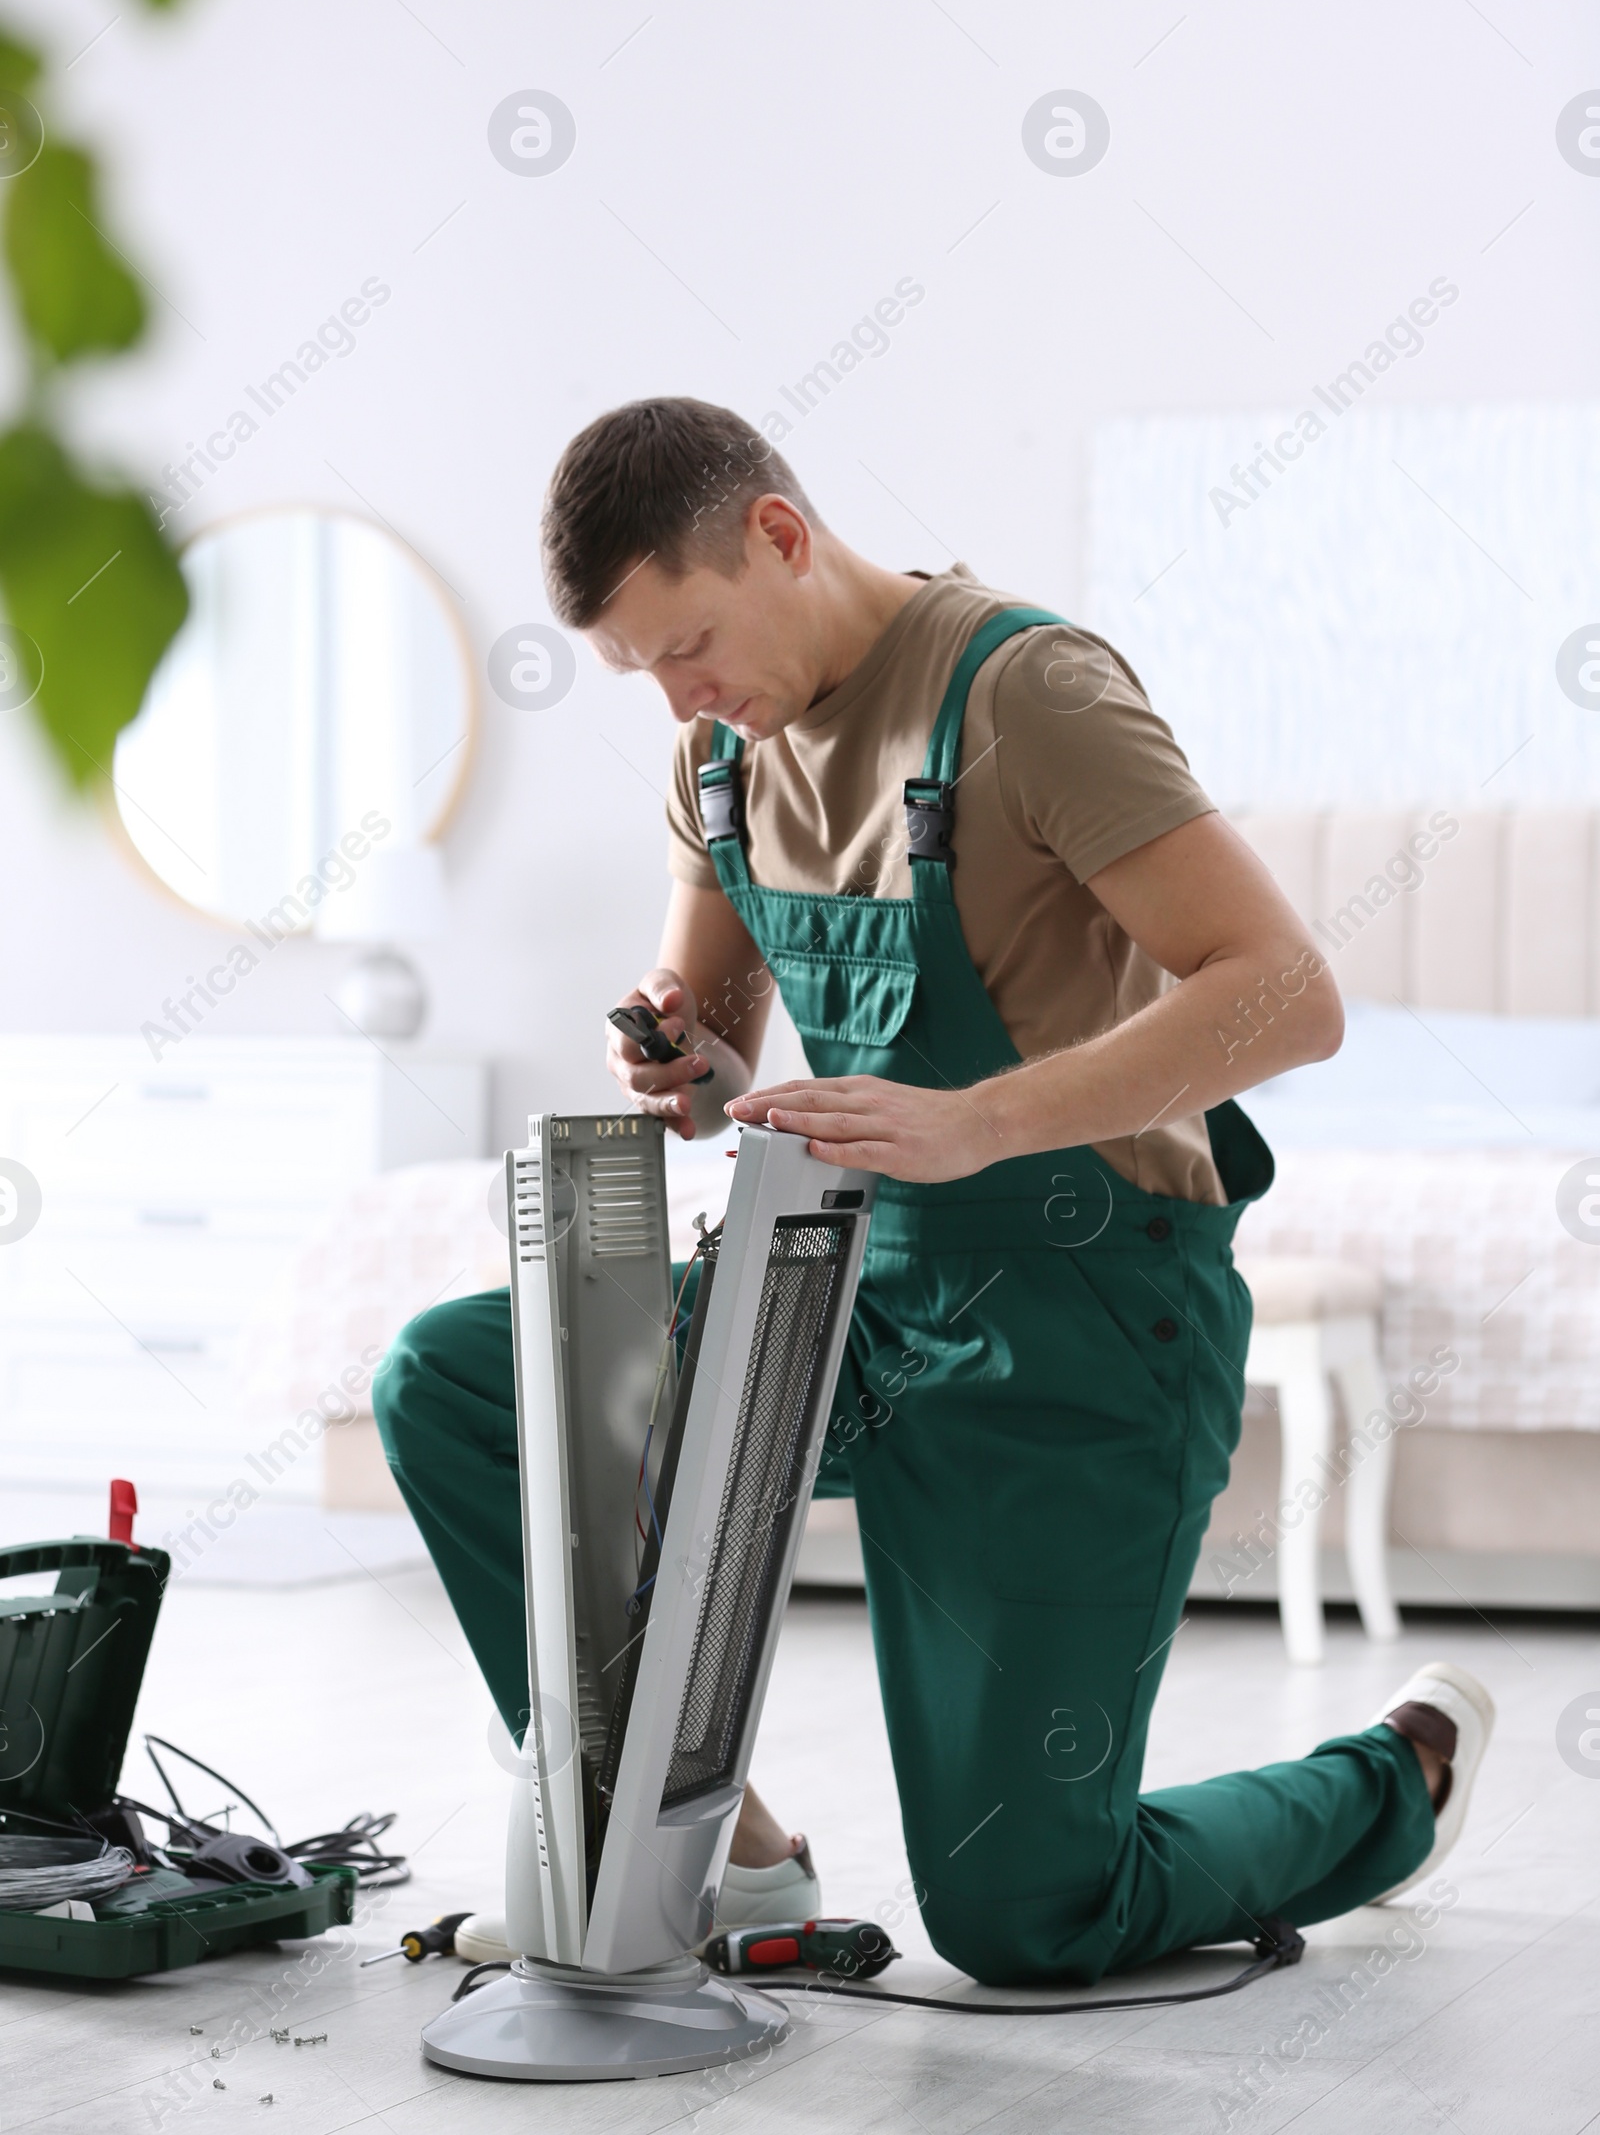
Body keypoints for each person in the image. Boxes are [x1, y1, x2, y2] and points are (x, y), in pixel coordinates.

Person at [374, 398, 1494, 1984]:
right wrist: (681, 1056)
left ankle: (1397, 1778)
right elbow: (718, 1034)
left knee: (1024, 1921)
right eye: (644, 672)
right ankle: (724, 1856)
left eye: (689, 642)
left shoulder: (1026, 692)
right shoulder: (717, 752)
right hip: (831, 1292)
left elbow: (1283, 996)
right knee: (460, 1381)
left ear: (779, 533)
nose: (683, 696)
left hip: (1081, 1328)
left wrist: (978, 1122)